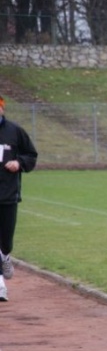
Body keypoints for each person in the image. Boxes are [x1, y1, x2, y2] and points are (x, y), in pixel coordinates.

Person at [0, 94, 39, 303]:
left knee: (5, 240)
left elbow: (31, 155)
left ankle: (5, 255)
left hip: (7, 195)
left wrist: (19, 163)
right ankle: (0, 286)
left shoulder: (14, 132)